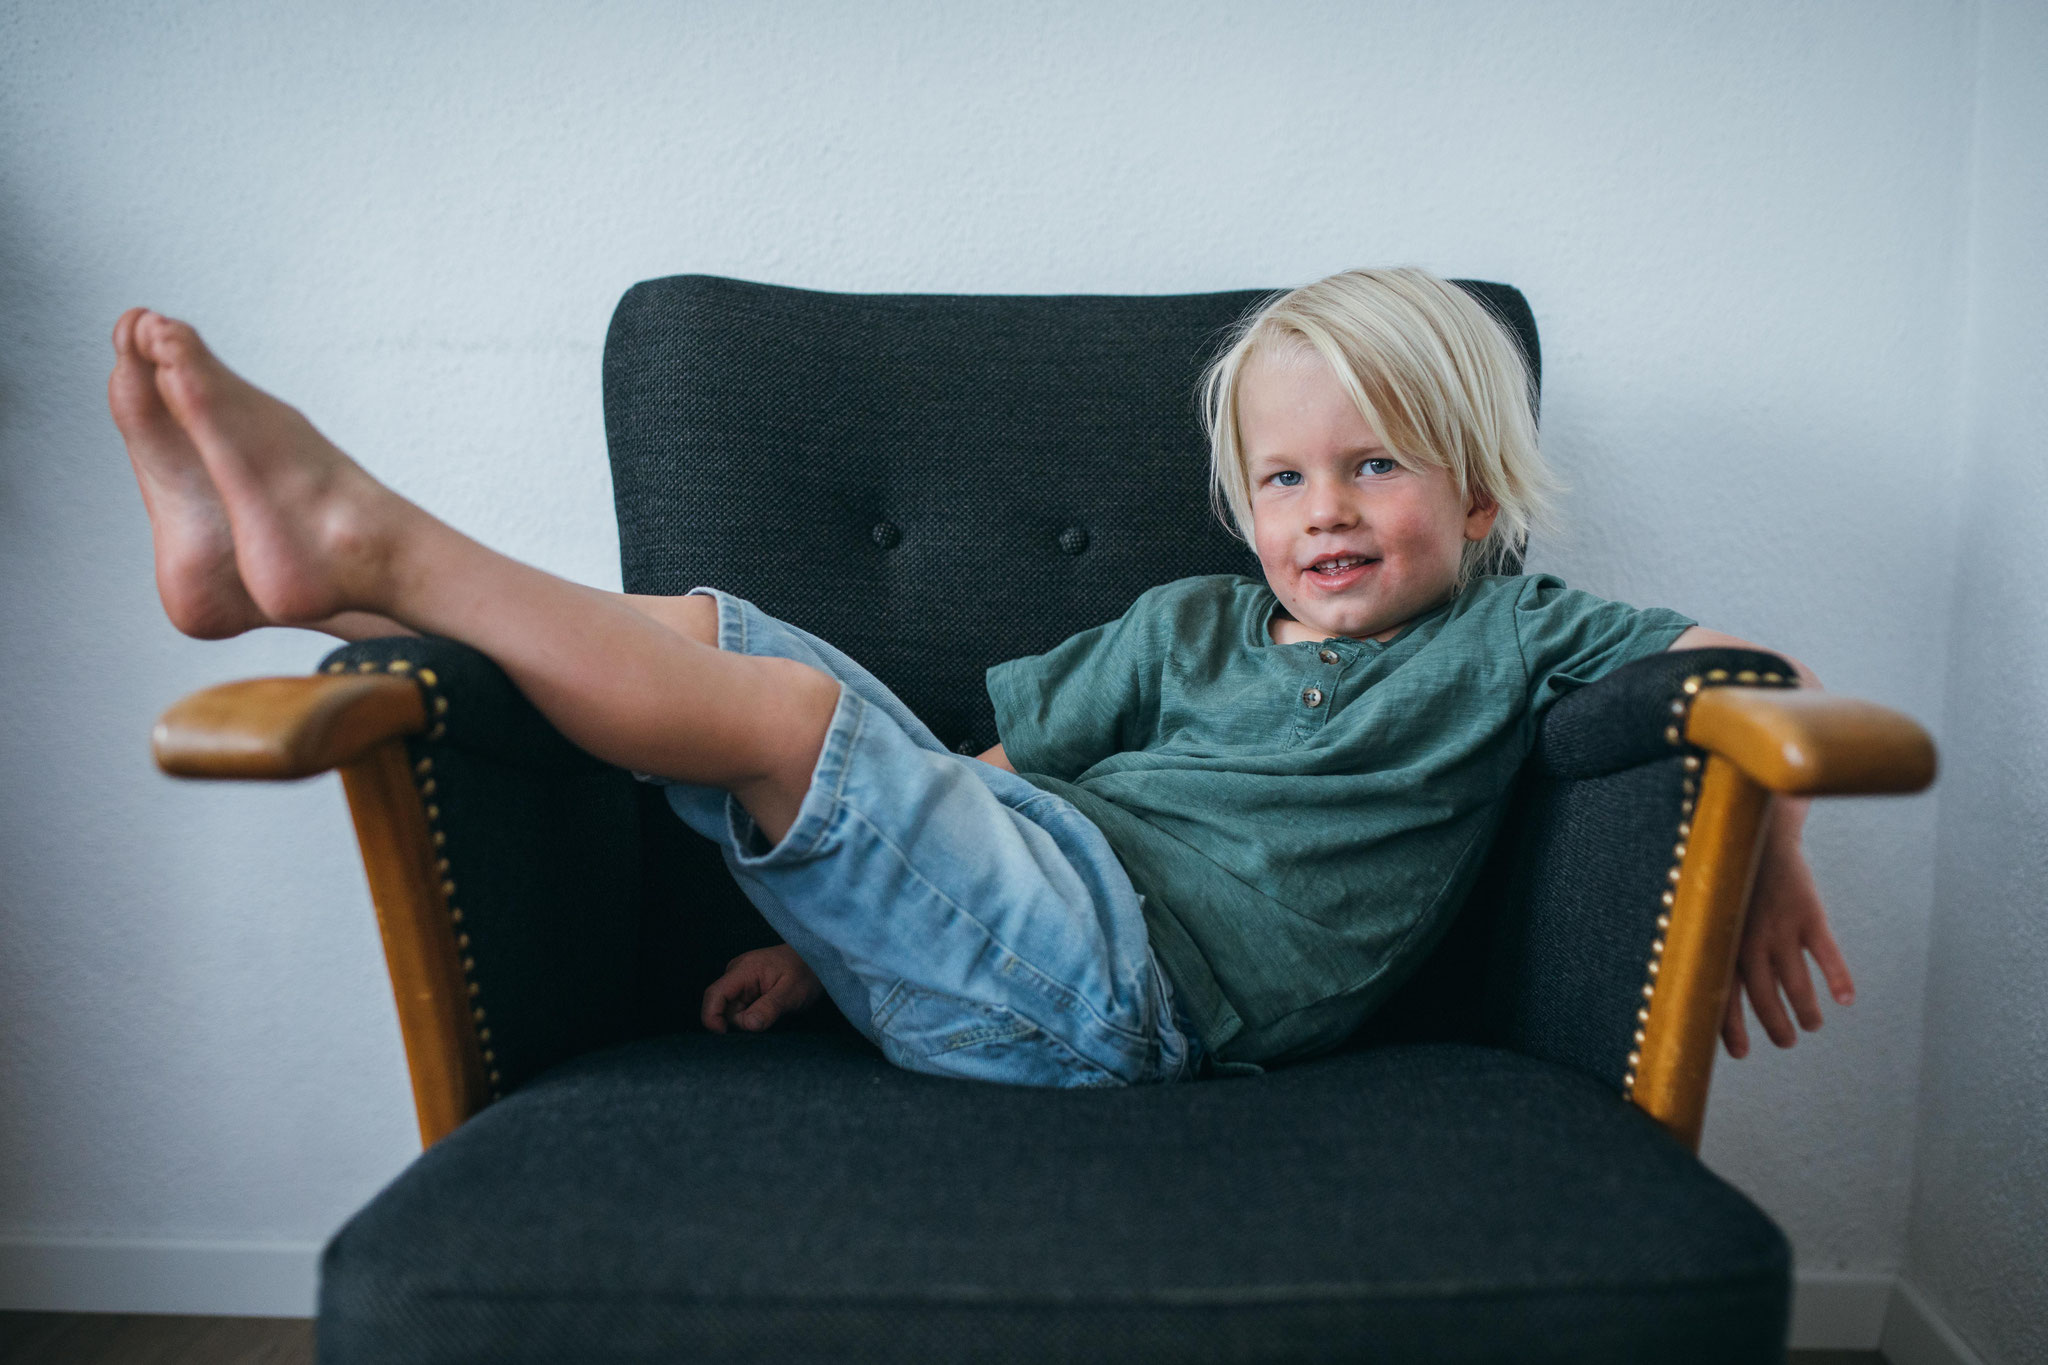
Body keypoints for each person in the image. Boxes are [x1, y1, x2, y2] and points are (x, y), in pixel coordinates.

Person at [108, 267, 1852, 1088]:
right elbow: (987, 781)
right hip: (1009, 925)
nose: (1324, 509)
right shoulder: (1185, 625)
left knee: (793, 719)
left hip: (1119, 1000)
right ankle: (297, 579)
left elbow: (1728, 665)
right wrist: (834, 937)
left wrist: (1768, 839)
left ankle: (372, 550)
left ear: (1477, 497)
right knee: (719, 634)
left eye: (1376, 465)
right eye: (1284, 477)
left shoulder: (1512, 632)